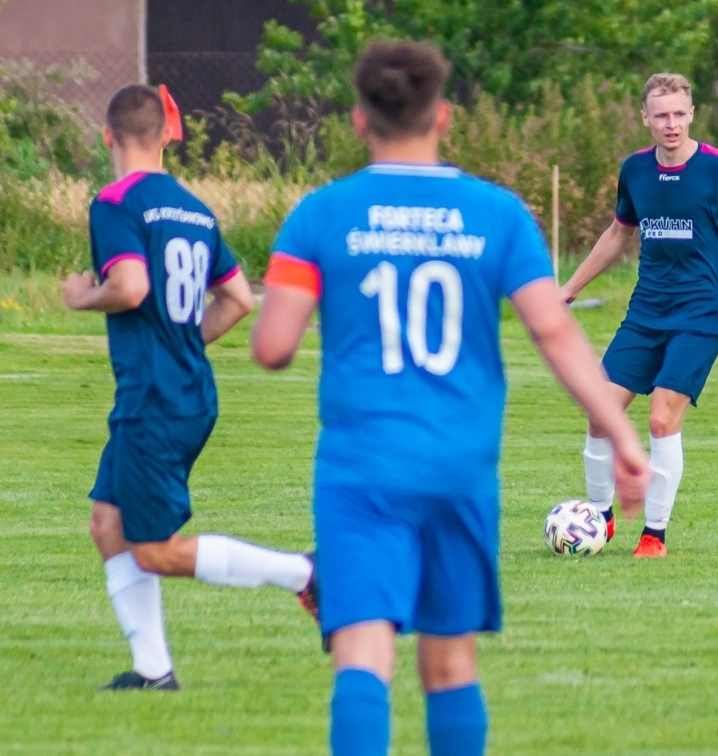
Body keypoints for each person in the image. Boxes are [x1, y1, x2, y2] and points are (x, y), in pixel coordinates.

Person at [250, 41, 650, 756]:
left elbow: (273, 347)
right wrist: (620, 434)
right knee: (451, 663)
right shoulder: (495, 213)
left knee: (363, 656)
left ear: (359, 120)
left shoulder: (321, 213)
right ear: (444, 116)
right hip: (457, 469)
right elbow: (553, 330)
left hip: (361, 468)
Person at [63, 85, 317, 692]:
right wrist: (184, 345)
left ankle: (303, 572)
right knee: (108, 523)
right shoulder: (193, 208)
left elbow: (129, 287)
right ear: (165, 138)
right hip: (182, 391)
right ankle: (152, 672)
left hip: (153, 399)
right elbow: (238, 299)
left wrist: (82, 298)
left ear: (108, 137)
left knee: (152, 550)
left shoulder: (114, 202)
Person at [560, 73, 718, 558]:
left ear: (692, 113)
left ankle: (654, 534)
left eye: (679, 113)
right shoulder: (634, 170)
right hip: (646, 311)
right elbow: (618, 234)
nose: (671, 123)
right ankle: (598, 520)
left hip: (702, 313)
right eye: (661, 115)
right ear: (645, 118)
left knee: (659, 419)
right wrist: (569, 288)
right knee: (599, 410)